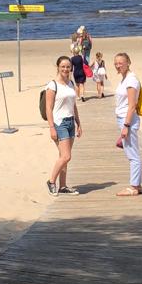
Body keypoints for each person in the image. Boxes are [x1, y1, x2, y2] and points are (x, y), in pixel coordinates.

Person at [44, 56, 82, 195]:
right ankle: (51, 181)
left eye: (68, 67)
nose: (66, 69)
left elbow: (74, 105)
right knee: (66, 156)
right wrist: (51, 127)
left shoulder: (70, 83)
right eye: (63, 67)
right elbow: (48, 108)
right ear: (58, 67)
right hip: (59, 123)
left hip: (71, 121)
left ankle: (63, 186)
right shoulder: (52, 85)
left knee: (63, 156)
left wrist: (78, 123)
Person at [113, 51, 142, 197]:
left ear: (128, 63)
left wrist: (126, 125)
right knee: (131, 152)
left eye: (121, 63)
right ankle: (137, 184)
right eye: (116, 64)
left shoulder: (131, 80)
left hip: (127, 119)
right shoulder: (125, 79)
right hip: (124, 119)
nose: (118, 66)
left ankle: (134, 187)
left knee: (132, 155)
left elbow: (132, 105)